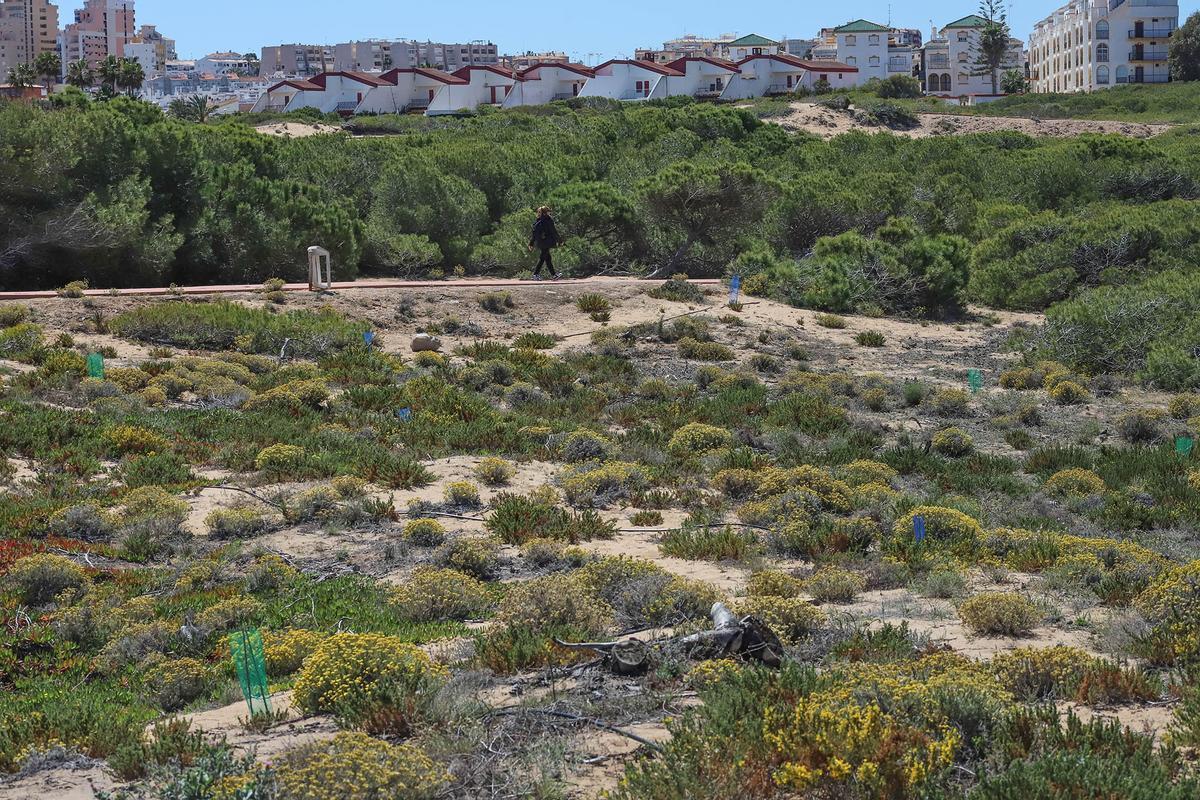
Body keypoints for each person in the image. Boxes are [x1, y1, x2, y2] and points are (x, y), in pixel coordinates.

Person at [528, 206, 561, 280]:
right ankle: (535, 274)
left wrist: (531, 243)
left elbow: (534, 234)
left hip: (541, 242)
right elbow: (554, 231)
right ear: (545, 212)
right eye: (548, 211)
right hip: (547, 242)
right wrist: (560, 241)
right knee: (542, 258)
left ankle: (554, 275)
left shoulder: (538, 221)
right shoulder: (548, 220)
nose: (549, 212)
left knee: (548, 258)